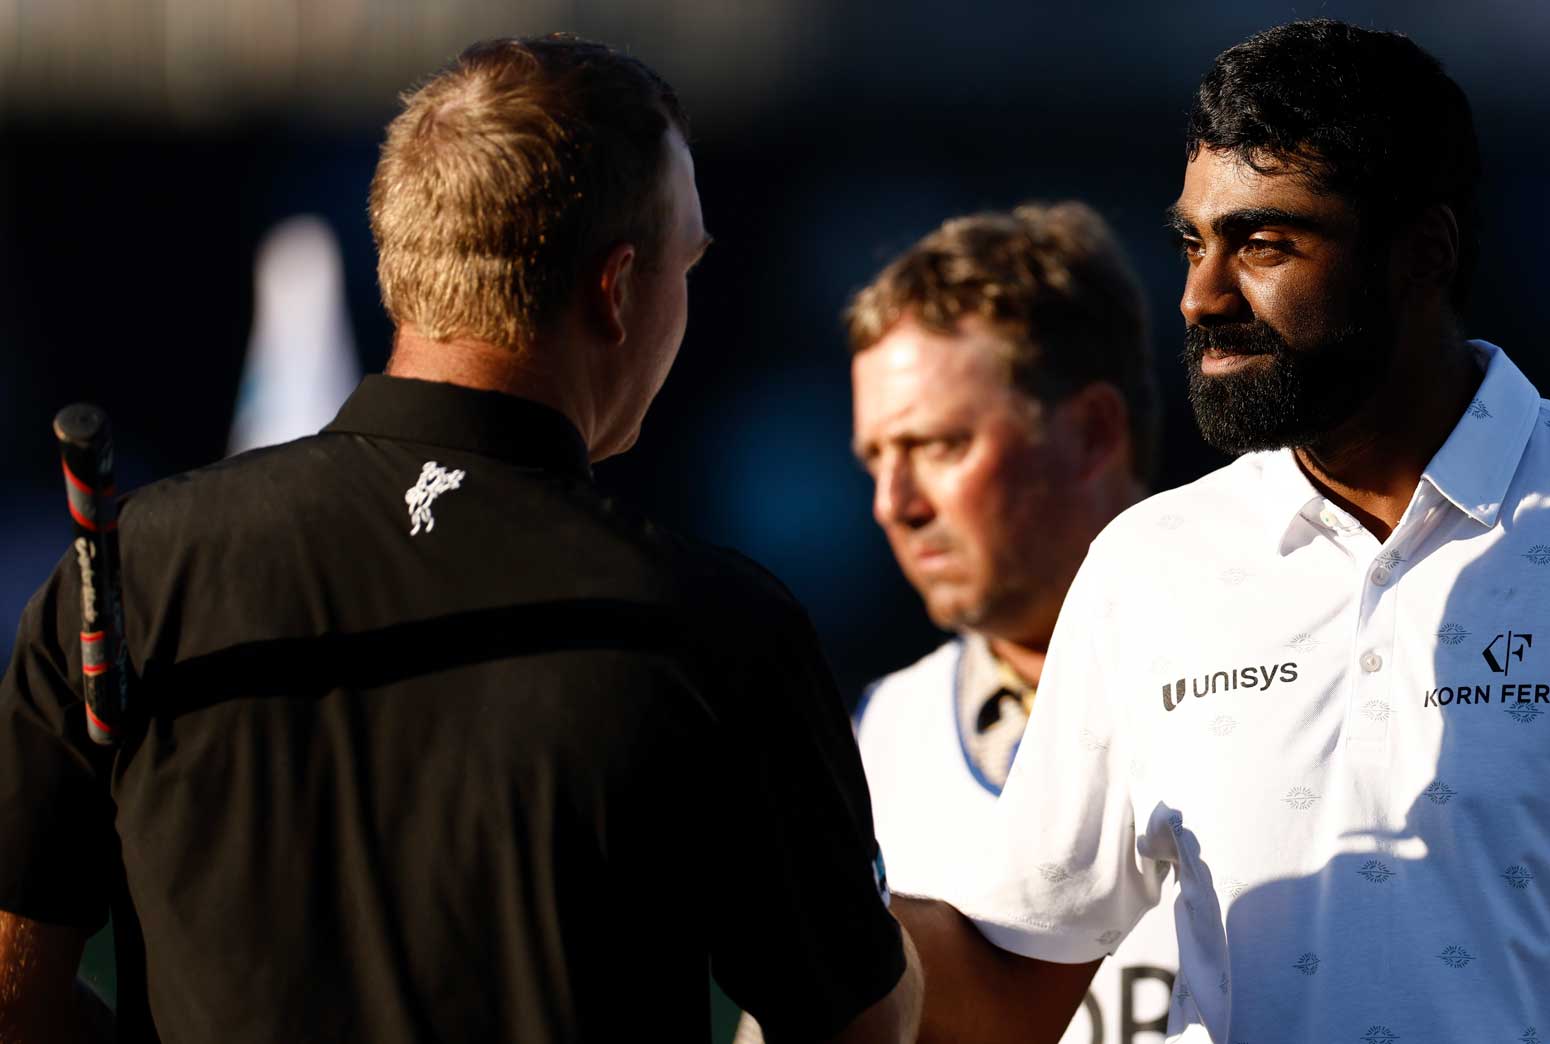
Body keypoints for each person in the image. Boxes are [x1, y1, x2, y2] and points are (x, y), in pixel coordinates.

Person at [893, 19, 1550, 1043]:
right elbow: (1006, 996)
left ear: (1419, 256)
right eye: (1192, 241)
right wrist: (798, 894)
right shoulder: (1146, 566)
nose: (1199, 297)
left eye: (1262, 243)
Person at [0, 35, 919, 1044]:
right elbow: (858, 1030)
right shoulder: (716, 629)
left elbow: (12, 992)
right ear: (616, 291)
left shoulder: (130, 571)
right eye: (685, 263)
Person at [845, 203, 1177, 1043]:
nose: (894, 505)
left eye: (940, 445)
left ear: (1093, 433)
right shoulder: (878, 733)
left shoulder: (1285, 676)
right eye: (877, 458)